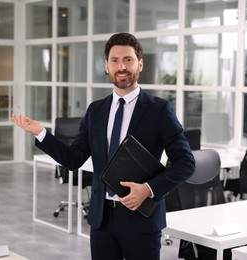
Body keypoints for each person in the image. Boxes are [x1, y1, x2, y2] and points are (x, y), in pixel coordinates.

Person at [11, 32, 195, 260]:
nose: (122, 67)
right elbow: (73, 159)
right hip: (102, 220)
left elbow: (186, 163)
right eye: (115, 60)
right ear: (107, 66)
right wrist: (41, 133)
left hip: (141, 219)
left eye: (128, 59)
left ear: (140, 64)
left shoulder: (159, 110)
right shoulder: (96, 111)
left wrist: (148, 189)